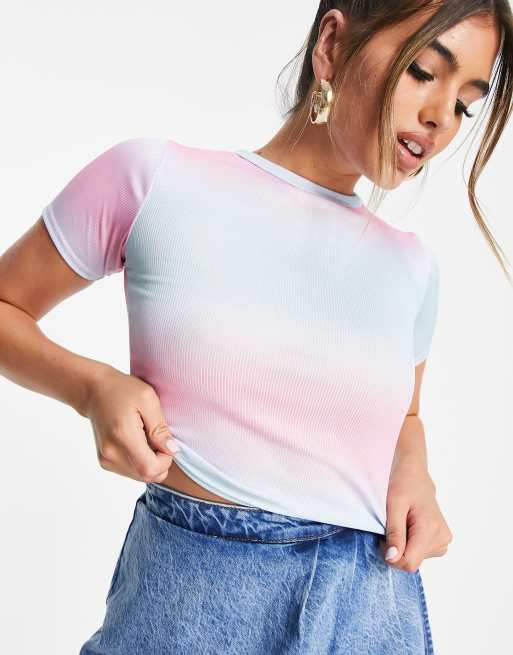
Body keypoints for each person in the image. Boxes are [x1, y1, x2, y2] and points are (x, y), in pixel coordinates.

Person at [0, 1, 511, 654]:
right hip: (189, 603)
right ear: (331, 44)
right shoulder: (154, 181)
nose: (441, 117)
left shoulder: (412, 267)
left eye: (465, 103)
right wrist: (92, 387)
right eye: (421, 72)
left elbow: (404, 417)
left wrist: (415, 473)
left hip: (370, 608)